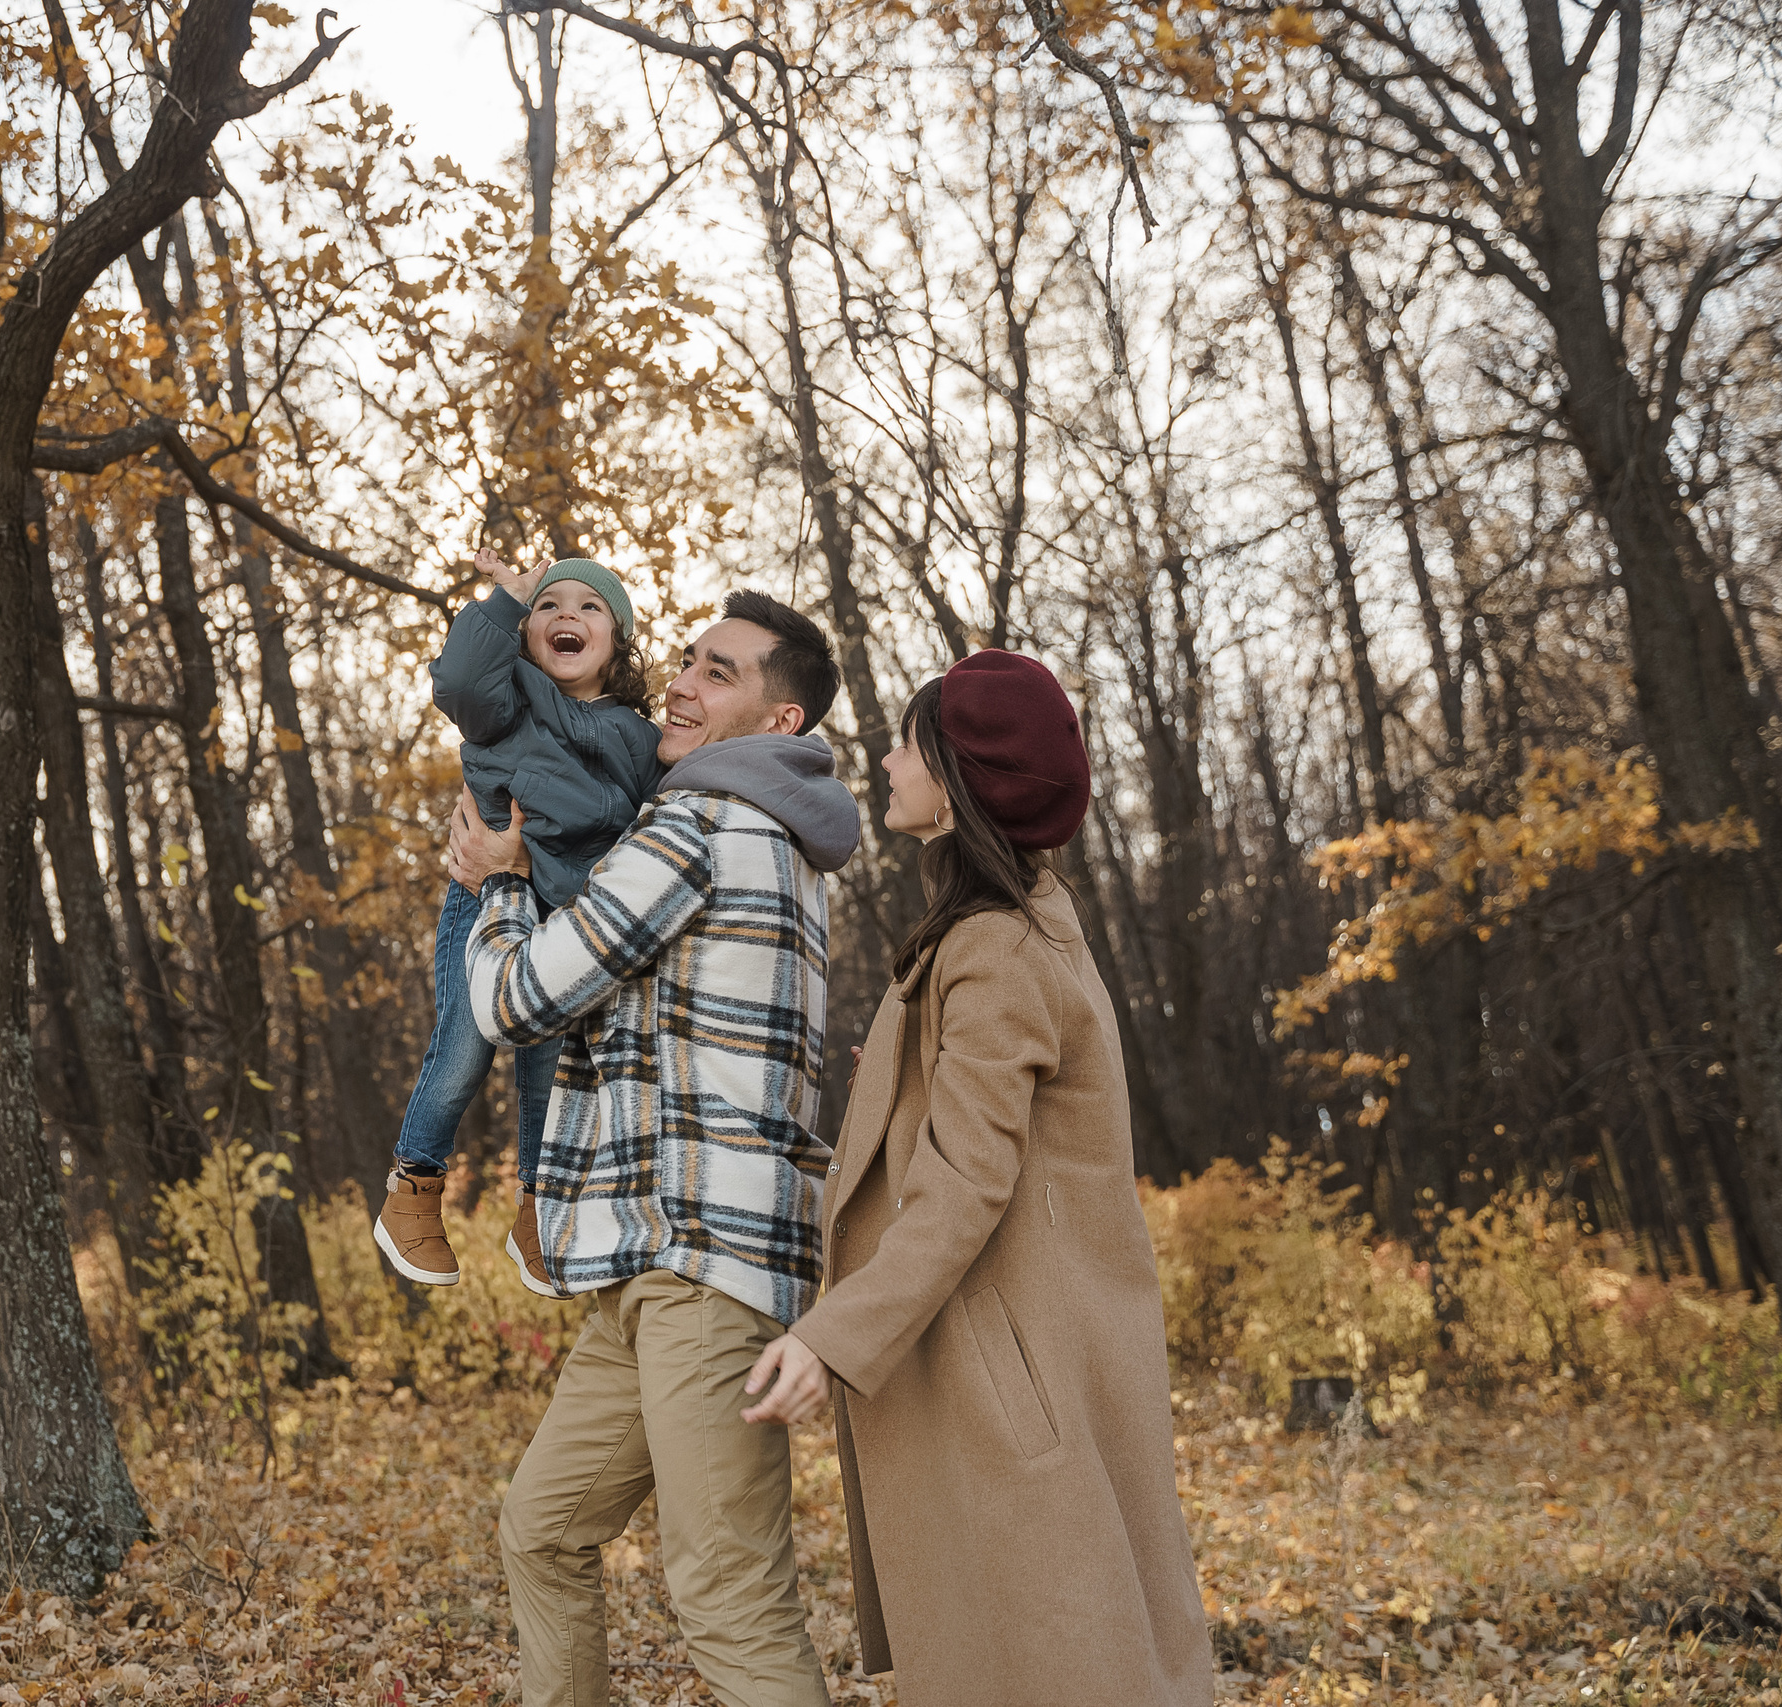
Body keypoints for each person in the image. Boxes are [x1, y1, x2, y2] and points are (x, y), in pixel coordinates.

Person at [737, 649, 1217, 1706]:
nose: (887, 757)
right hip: (1031, 1355)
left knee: (1054, 1657)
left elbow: (964, 1186)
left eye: (909, 741)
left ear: (956, 781)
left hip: (1008, 1378)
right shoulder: (1022, 924)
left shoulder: (992, 947)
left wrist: (833, 1336)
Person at [446, 590, 859, 1707]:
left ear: (779, 723)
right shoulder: (766, 835)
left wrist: (496, 890)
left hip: (700, 1268)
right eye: (685, 659)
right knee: (543, 1527)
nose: (679, 681)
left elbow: (522, 999)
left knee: (726, 1591)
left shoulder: (701, 826)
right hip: (648, 1261)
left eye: (717, 674)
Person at [372, 548, 663, 1290]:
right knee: (465, 1045)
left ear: (618, 639)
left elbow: (645, 828)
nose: (567, 614)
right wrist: (506, 600)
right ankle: (413, 1188)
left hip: (570, 914)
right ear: (527, 633)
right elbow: (461, 678)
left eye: (589, 606)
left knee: (553, 1064)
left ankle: (541, 1203)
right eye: (550, 605)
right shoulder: (508, 700)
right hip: (485, 896)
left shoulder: (638, 736)